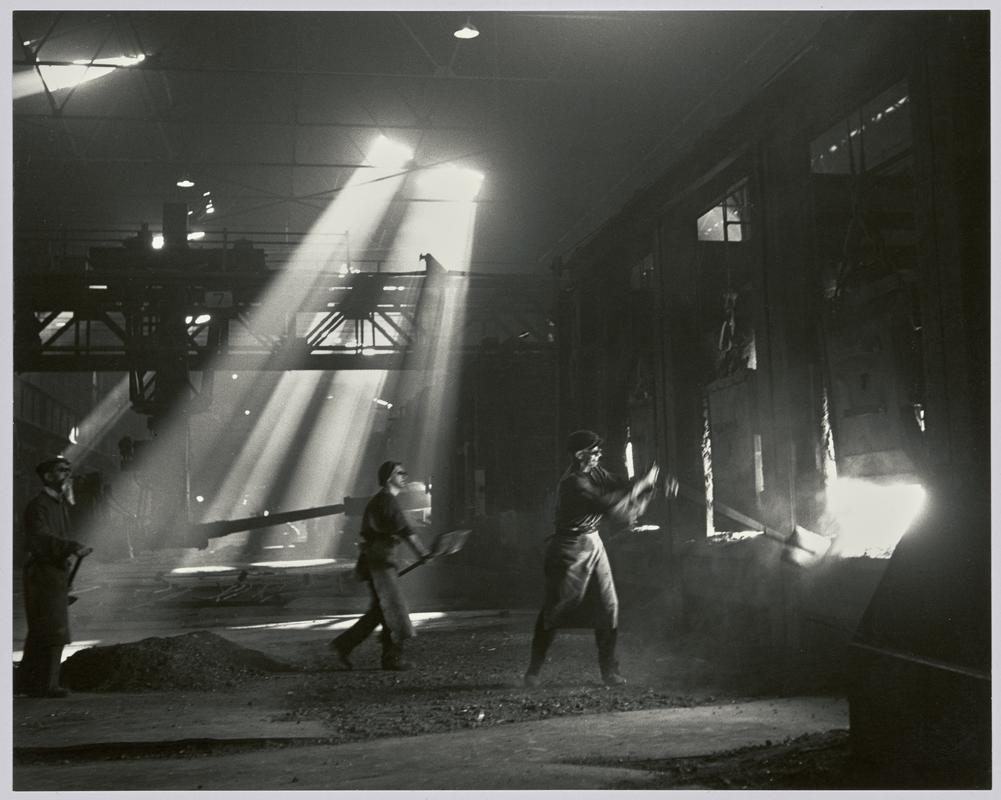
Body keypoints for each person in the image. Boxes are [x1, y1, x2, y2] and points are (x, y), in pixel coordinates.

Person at [523, 429, 674, 688]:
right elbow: (608, 504)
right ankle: (533, 672)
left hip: (593, 543)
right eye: (594, 452)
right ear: (580, 455)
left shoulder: (596, 473)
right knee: (555, 609)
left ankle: (609, 672)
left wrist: (655, 483)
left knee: (609, 606)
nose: (599, 455)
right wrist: (643, 485)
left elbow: (621, 484)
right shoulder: (573, 483)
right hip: (569, 547)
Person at [331, 461, 433, 671]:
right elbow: (406, 532)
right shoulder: (387, 502)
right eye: (399, 473)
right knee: (393, 609)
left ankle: (346, 645)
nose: (405, 476)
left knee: (381, 610)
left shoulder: (383, 501)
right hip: (380, 563)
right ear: (389, 478)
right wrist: (422, 553)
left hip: (377, 561)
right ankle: (391, 658)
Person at [17, 456, 93, 698]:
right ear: (48, 476)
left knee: (44, 629)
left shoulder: (59, 505)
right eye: (61, 471)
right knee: (51, 630)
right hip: (41, 573)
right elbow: (39, 538)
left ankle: (29, 683)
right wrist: (70, 546)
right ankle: (46, 686)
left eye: (68, 470)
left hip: (55, 572)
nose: (67, 474)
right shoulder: (38, 506)